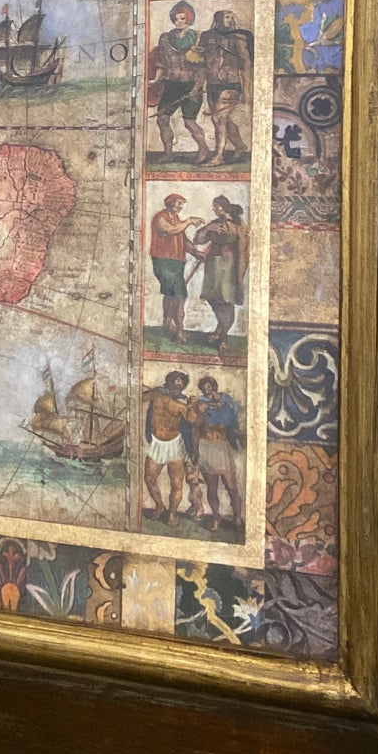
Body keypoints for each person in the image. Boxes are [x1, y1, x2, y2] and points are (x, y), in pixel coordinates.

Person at [148, 1, 210, 161]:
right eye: (176, 19)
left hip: (191, 85)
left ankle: (204, 150)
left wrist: (196, 89)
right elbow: (162, 63)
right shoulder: (165, 38)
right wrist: (156, 79)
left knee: (189, 122)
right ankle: (168, 154)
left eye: (182, 18)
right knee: (162, 119)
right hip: (171, 85)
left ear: (189, 18)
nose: (179, 22)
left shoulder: (198, 38)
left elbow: (203, 69)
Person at [193, 195, 249, 351]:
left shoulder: (238, 225)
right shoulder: (214, 223)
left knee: (226, 301)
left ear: (224, 206)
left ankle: (223, 337)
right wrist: (207, 228)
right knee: (212, 298)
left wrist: (240, 275)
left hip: (228, 267)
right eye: (214, 206)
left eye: (216, 205)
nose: (214, 209)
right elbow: (198, 240)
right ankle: (220, 327)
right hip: (213, 266)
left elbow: (243, 250)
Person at [201, 8, 254, 164]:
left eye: (231, 17)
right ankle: (239, 145)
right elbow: (201, 60)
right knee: (222, 120)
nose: (230, 20)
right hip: (212, 83)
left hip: (230, 83)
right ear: (218, 19)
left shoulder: (238, 38)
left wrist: (246, 90)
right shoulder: (206, 36)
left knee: (219, 119)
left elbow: (246, 64)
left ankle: (218, 156)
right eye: (226, 17)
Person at [144, 370, 199, 522]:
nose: (177, 386)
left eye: (181, 384)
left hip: (175, 443)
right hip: (157, 443)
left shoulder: (182, 402)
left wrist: (192, 407)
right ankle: (159, 506)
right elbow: (138, 398)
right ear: (168, 382)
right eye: (175, 382)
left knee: (176, 483)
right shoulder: (156, 393)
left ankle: (172, 513)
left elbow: (192, 420)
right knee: (149, 478)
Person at [147, 192, 202, 341]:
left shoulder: (176, 220)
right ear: (170, 202)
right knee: (179, 295)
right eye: (179, 203)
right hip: (164, 261)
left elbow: (183, 240)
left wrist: (196, 253)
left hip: (177, 262)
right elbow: (171, 230)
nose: (181, 206)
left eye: (182, 204)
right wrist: (189, 221)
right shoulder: (161, 217)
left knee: (170, 294)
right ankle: (179, 332)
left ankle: (167, 323)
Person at [195, 374, 244, 526]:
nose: (207, 390)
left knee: (231, 486)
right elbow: (195, 429)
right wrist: (194, 451)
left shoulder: (227, 407)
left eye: (209, 387)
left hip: (221, 449)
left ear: (214, 387)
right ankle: (216, 517)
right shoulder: (200, 407)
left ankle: (237, 516)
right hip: (206, 449)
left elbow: (233, 427)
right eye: (204, 388)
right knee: (212, 487)